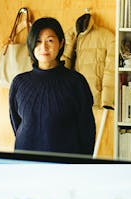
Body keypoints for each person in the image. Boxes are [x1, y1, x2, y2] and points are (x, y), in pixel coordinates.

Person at [9, 17, 95, 155]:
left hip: (66, 166)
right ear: (31, 44)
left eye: (50, 40)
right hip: (25, 163)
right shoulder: (19, 83)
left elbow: (87, 130)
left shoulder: (76, 82)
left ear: (61, 43)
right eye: (38, 41)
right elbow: (16, 124)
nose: (44, 47)